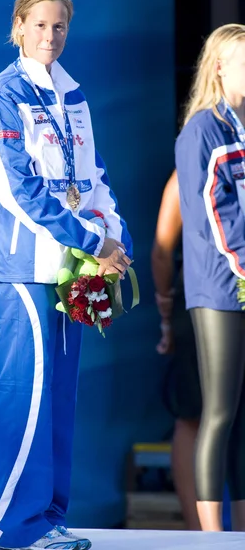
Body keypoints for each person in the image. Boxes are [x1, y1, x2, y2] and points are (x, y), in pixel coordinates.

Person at [0, 0, 133, 550]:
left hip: (76, 265)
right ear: (17, 26)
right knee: (27, 391)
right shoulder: (0, 95)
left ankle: (50, 518)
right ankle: (19, 527)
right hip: (22, 263)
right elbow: (21, 189)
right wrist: (94, 238)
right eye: (39, 25)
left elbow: (95, 179)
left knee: (61, 393)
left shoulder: (74, 95)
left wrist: (117, 238)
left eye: (59, 25)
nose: (50, 35)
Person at [175, 23, 245, 532]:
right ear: (219, 66)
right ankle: (211, 537)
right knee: (218, 412)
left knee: (243, 418)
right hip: (220, 288)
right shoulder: (202, 129)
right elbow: (209, 215)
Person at [151, 169, 202, 530]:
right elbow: (162, 250)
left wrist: (166, 313)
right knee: (193, 415)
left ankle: (204, 531)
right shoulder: (191, 158)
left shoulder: (190, 158)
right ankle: (203, 532)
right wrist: (168, 313)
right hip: (202, 303)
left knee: (194, 417)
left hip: (200, 299)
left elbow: (162, 251)